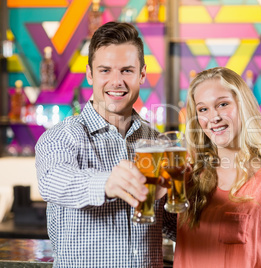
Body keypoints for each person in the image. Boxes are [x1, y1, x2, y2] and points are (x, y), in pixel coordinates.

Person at [35, 22, 176, 267]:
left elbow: (172, 227)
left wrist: (186, 193)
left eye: (126, 70)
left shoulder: (158, 143)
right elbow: (53, 181)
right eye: (105, 70)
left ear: (142, 74)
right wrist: (106, 183)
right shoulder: (62, 136)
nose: (116, 81)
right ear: (90, 74)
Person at [174, 67, 261, 267]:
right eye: (203, 109)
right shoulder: (185, 178)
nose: (213, 117)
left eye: (223, 104)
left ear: (243, 106)